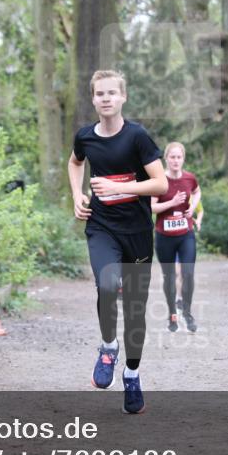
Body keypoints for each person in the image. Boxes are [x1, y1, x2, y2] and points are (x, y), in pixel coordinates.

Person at [68, 70, 168, 414]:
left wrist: (120, 188)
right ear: (93, 99)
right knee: (107, 282)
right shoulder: (85, 137)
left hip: (138, 234)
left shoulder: (137, 137)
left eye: (112, 92)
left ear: (123, 97)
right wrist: (76, 195)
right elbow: (75, 162)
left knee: (135, 312)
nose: (106, 98)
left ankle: (132, 374)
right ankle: (108, 347)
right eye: (100, 94)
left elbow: (161, 185)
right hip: (101, 227)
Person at [151, 142, 201, 333]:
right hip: (164, 237)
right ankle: (172, 313)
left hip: (185, 234)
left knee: (188, 274)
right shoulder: (159, 180)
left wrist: (192, 206)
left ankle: (187, 313)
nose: (175, 160)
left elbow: (197, 192)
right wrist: (171, 203)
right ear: (166, 158)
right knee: (170, 277)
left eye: (179, 157)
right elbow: (151, 207)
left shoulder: (189, 178)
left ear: (183, 159)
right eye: (172, 157)